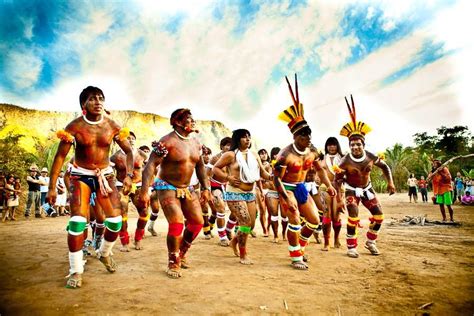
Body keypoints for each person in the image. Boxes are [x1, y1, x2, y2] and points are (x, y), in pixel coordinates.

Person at [46, 86, 134, 288]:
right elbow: (60, 157)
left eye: (101, 98)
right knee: (77, 223)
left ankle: (104, 253)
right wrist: (52, 187)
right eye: (93, 99)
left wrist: (129, 176)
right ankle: (76, 271)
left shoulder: (112, 125)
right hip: (80, 176)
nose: (98, 102)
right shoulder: (74, 127)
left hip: (106, 175)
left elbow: (129, 152)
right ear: (83, 104)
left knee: (115, 222)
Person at [137, 108, 211, 279]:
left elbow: (200, 167)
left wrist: (206, 188)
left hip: (187, 187)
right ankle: (173, 261)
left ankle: (182, 252)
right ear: (178, 122)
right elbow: (150, 166)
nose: (193, 122)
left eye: (194, 119)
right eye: (189, 119)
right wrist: (144, 191)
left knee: (197, 222)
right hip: (166, 186)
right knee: (177, 223)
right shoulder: (167, 142)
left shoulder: (196, 143)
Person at [274, 74, 336, 270]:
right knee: (293, 218)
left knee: (313, 221)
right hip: (286, 187)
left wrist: (328, 185)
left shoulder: (313, 151)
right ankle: (295, 258)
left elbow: (320, 169)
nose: (308, 138)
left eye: (309, 134)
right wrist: (286, 197)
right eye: (304, 135)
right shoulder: (285, 155)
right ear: (295, 135)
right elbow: (276, 179)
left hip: (300, 187)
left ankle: (298, 248)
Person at [335, 95, 395, 258]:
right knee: (353, 217)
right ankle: (351, 247)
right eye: (352, 144)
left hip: (367, 189)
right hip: (351, 191)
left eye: (358, 144)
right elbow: (337, 179)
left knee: (379, 216)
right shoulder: (345, 161)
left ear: (363, 144)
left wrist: (390, 182)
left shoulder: (370, 156)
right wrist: (340, 197)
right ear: (349, 146)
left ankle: (370, 241)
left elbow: (385, 166)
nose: (355, 147)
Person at [213, 129, 272, 264]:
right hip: (234, 192)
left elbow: (262, 173)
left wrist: (272, 177)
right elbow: (215, 169)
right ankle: (243, 254)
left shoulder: (254, 154)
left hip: (250, 193)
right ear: (237, 139)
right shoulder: (230, 155)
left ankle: (234, 241)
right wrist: (228, 177)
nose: (247, 139)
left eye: (249, 137)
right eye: (244, 137)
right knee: (244, 221)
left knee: (250, 225)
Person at [110, 131, 148, 251]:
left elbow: (149, 170)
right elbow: (110, 173)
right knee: (122, 212)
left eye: (133, 138)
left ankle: (138, 239)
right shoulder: (115, 157)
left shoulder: (142, 154)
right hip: (121, 186)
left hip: (139, 185)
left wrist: (148, 186)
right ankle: (124, 242)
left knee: (145, 212)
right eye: (128, 138)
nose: (131, 140)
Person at [319, 137, 344, 250]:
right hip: (325, 188)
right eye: (329, 145)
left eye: (334, 145)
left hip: (339, 188)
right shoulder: (322, 159)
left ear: (337, 146)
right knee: (327, 214)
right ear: (326, 147)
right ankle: (326, 243)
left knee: (336, 215)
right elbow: (317, 173)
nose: (331, 147)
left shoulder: (343, 159)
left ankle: (337, 240)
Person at [209, 137, 233, 246]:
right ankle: (222, 236)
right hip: (215, 186)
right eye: (226, 145)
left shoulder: (234, 158)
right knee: (221, 209)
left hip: (229, 186)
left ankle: (228, 229)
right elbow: (206, 175)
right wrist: (207, 190)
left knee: (236, 211)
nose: (228, 147)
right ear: (222, 146)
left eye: (230, 145)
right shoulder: (215, 158)